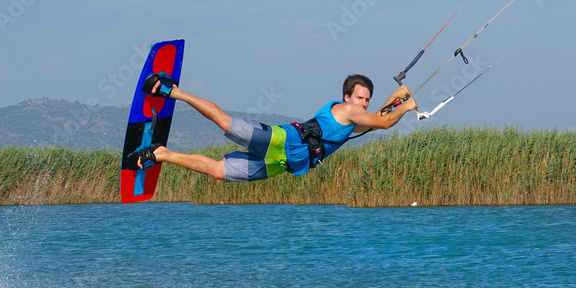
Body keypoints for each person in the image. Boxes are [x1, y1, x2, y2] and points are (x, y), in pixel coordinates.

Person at [129, 73, 417, 182]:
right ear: (347, 98)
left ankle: (161, 154)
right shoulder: (347, 111)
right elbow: (385, 122)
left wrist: (396, 97)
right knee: (225, 122)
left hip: (281, 163)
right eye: (360, 98)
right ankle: (172, 91)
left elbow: (378, 120)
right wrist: (406, 106)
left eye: (367, 100)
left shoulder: (352, 121)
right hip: (280, 140)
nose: (363, 104)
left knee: (217, 171)